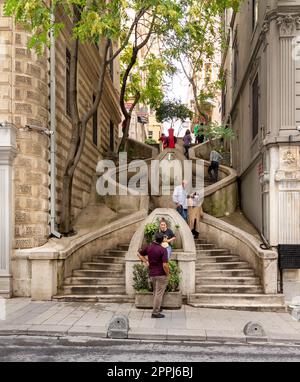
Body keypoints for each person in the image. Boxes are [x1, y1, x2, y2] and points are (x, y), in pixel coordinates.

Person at [138, 233, 170, 319]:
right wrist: (168, 274)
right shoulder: (163, 250)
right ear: (162, 240)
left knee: (156, 292)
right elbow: (165, 265)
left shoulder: (149, 247)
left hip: (152, 274)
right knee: (159, 294)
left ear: (155, 239)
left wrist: (146, 261)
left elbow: (139, 254)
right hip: (161, 274)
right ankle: (155, 312)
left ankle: (157, 308)